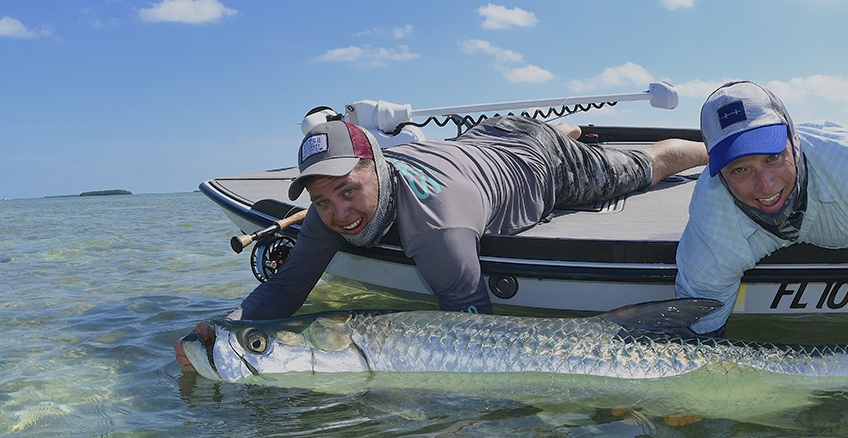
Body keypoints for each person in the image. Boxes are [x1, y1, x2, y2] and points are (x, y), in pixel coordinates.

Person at [227, 114, 708, 321]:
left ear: (378, 165)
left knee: (646, 166)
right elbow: (285, 289)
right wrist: (219, 332)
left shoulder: (439, 230)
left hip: (540, 162)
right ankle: (565, 129)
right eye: (324, 200)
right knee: (535, 134)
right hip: (484, 138)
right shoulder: (329, 210)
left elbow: (474, 329)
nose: (339, 213)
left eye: (348, 190)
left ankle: (719, 149)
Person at [675, 81, 848, 336]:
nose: (765, 185)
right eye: (740, 169)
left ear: (794, 140)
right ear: (720, 175)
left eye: (773, 157)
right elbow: (700, 339)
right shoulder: (711, 216)